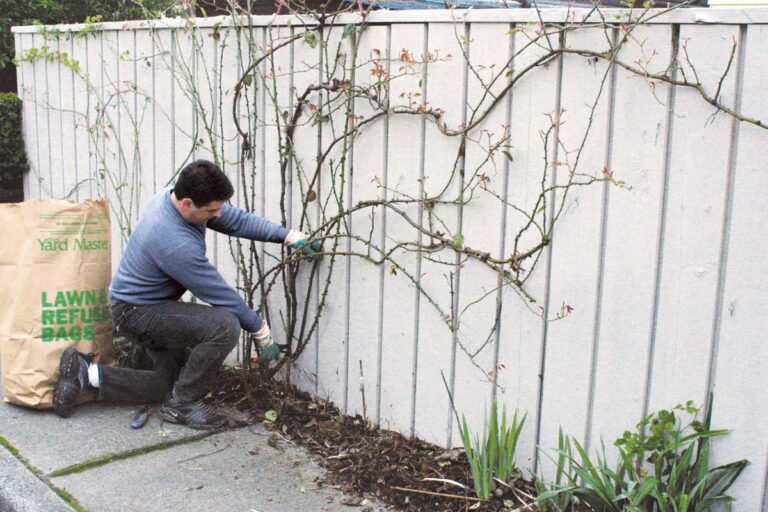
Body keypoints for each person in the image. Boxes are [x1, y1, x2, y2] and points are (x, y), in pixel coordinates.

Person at [51, 159, 320, 429]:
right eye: (212, 210)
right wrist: (260, 330)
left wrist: (287, 236)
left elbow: (235, 220)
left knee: (164, 385)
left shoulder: (174, 197)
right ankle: (184, 405)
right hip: (136, 314)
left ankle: (87, 373)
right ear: (188, 203)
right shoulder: (173, 242)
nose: (217, 215)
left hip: (148, 306)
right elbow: (219, 293)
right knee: (224, 326)